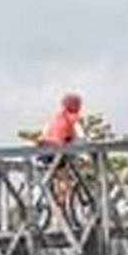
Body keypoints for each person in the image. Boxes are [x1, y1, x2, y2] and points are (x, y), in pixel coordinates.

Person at [33, 92, 88, 224]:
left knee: (56, 176)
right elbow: (81, 137)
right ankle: (62, 204)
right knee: (63, 177)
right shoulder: (73, 117)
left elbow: (45, 134)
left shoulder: (56, 117)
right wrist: (86, 154)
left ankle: (55, 203)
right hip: (56, 150)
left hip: (43, 149)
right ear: (76, 106)